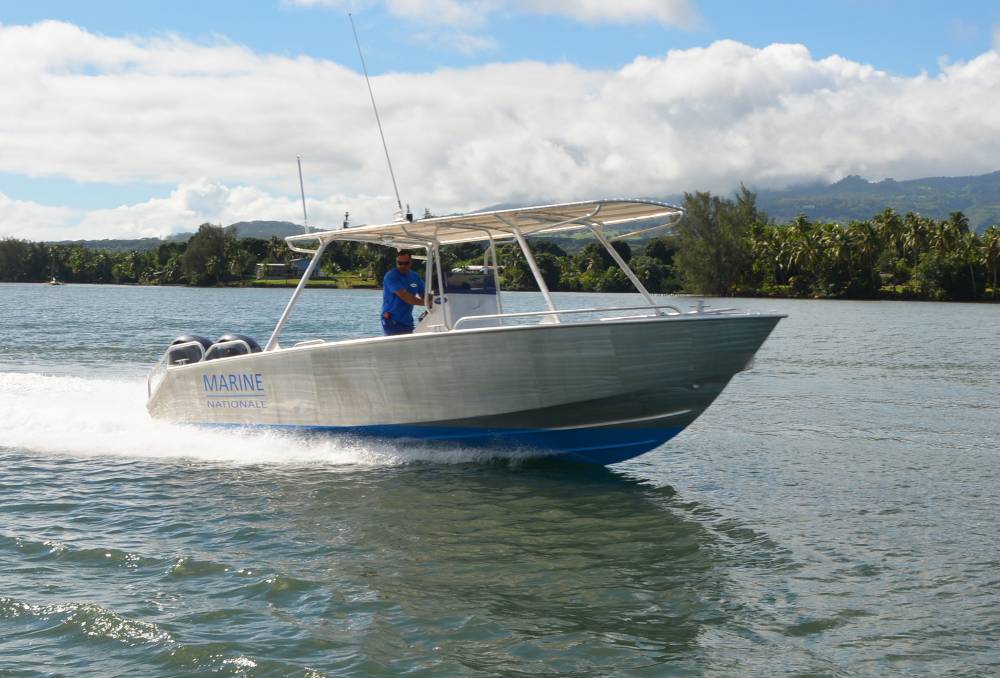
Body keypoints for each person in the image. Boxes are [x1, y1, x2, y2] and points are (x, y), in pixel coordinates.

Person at [381, 250, 432, 335]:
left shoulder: (415, 276)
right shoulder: (391, 276)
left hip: (407, 321)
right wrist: (425, 303)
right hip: (391, 321)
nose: (402, 266)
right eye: (400, 263)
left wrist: (434, 302)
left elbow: (424, 294)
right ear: (396, 262)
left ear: (410, 262)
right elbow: (404, 296)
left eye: (406, 263)